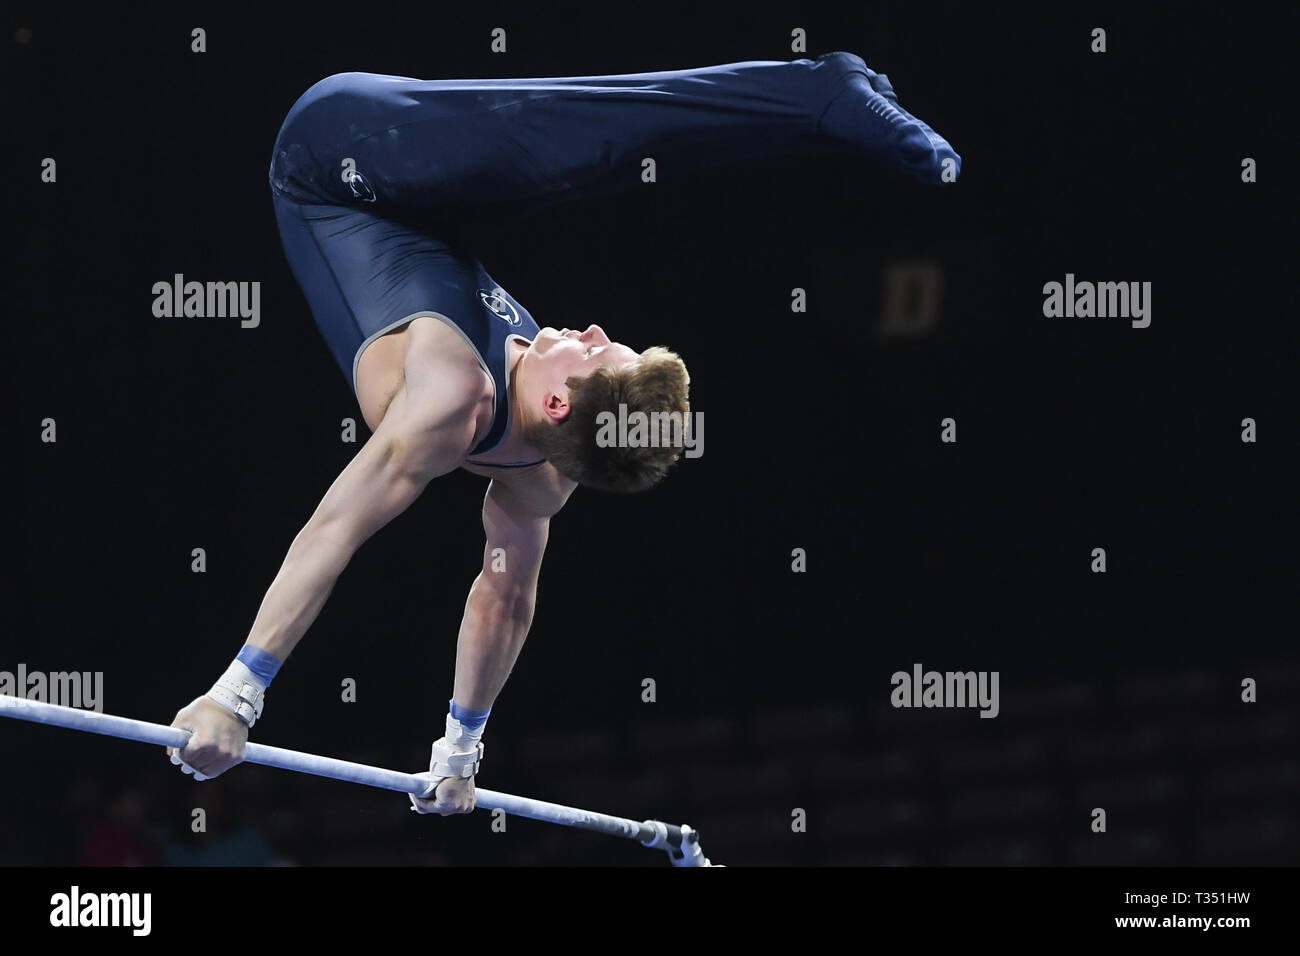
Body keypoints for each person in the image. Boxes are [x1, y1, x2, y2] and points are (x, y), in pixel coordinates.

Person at [165, 51, 960, 815]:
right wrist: (461, 750)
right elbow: (504, 598)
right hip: (416, 192)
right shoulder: (549, 464)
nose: (587, 328)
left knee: (565, 144)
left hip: (332, 159)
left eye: (595, 350)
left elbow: (348, 534)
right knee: (575, 146)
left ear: (555, 410)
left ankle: (822, 92)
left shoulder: (451, 401)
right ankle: (823, 98)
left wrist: (236, 694)